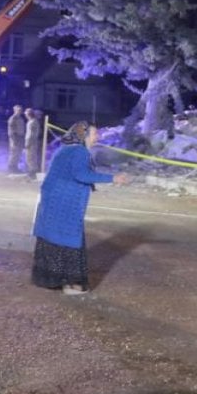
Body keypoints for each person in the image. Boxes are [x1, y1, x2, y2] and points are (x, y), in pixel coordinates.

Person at [30, 121, 130, 295]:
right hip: (65, 202)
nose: (97, 137)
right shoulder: (80, 152)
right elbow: (81, 175)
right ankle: (71, 285)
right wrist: (113, 179)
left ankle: (49, 279)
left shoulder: (65, 150)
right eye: (94, 134)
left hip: (52, 199)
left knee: (53, 238)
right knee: (70, 239)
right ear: (84, 135)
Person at [24, 108, 43, 181]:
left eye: (26, 114)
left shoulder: (31, 122)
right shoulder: (35, 122)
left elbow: (30, 135)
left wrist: (27, 143)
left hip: (31, 143)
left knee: (30, 158)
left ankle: (32, 173)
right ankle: (33, 172)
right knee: (32, 158)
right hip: (34, 142)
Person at [7, 105, 26, 173]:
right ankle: (11, 167)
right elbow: (11, 130)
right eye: (18, 110)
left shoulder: (20, 118)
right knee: (14, 153)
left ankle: (15, 167)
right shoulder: (13, 118)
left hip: (20, 137)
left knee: (18, 153)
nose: (20, 111)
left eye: (21, 110)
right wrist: (14, 139)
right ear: (15, 110)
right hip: (15, 138)